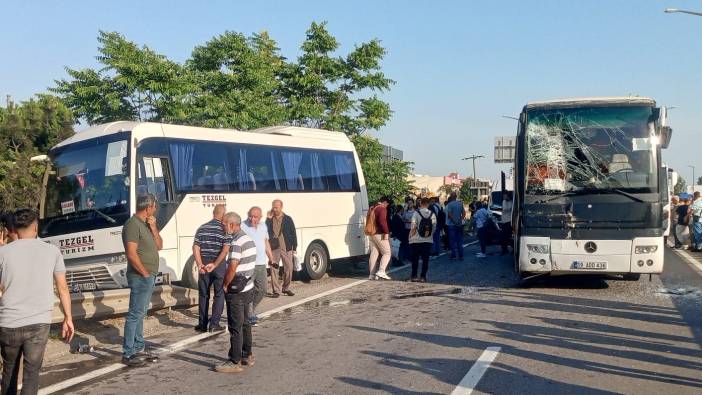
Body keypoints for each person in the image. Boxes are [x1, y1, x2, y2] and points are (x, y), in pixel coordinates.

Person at [0, 209, 74, 395]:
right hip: (39, 323)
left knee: (9, 372)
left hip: (9, 322)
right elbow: (62, 288)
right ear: (35, 227)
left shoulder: (3, 253)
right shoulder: (52, 251)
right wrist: (68, 318)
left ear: (14, 229)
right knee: (32, 373)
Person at [121, 194, 163, 366]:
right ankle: (128, 352)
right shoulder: (132, 225)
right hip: (140, 276)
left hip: (148, 275)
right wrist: (144, 272)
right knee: (135, 314)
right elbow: (131, 253)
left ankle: (138, 347)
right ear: (148, 208)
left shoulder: (146, 224)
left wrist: (153, 228)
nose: (156, 210)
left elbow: (159, 246)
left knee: (141, 313)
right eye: (154, 207)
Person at [216, 212, 257, 373]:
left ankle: (235, 360)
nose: (223, 227)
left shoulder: (236, 242)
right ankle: (247, 355)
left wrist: (225, 284)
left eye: (224, 224)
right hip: (248, 286)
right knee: (246, 322)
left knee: (235, 325)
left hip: (237, 290)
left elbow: (233, 266)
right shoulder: (248, 239)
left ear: (232, 225)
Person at [192, 204, 231, 333]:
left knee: (204, 295)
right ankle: (214, 324)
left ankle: (202, 324)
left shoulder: (202, 228)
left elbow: (196, 248)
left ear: (213, 213)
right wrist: (215, 263)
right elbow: (225, 250)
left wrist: (199, 264)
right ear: (223, 214)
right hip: (218, 265)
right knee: (219, 294)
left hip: (204, 264)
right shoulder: (225, 230)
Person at [241, 206, 274, 326]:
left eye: (255, 217)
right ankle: (249, 315)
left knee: (263, 289)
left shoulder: (263, 226)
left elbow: (266, 242)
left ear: (260, 217)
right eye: (250, 215)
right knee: (247, 290)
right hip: (248, 264)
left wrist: (271, 258)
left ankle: (250, 310)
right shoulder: (242, 226)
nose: (252, 219)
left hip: (261, 264)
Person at [265, 199, 297, 296]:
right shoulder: (270, 219)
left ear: (281, 207)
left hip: (286, 247)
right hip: (274, 246)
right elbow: (266, 231)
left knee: (289, 268)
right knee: (274, 269)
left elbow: (293, 233)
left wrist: (294, 247)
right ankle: (276, 291)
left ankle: (286, 288)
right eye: (273, 207)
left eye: (276, 207)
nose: (274, 209)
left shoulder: (288, 219)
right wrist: (268, 219)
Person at [409, 198, 437, 282]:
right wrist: (429, 235)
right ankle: (423, 276)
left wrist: (410, 236)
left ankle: (414, 276)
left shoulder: (416, 213)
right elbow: (434, 227)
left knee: (415, 259)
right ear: (428, 204)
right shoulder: (432, 214)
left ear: (420, 203)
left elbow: (413, 226)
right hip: (427, 240)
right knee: (425, 259)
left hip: (416, 240)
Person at [368, 196, 392, 280]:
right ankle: (381, 271)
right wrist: (386, 232)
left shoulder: (372, 207)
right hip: (379, 233)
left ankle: (371, 274)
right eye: (387, 204)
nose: (387, 206)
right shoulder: (382, 209)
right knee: (387, 253)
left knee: (374, 253)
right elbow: (382, 222)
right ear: (385, 202)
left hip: (371, 233)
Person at [445, 192, 466, 261]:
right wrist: (460, 219)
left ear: (451, 197)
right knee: (459, 240)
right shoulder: (460, 204)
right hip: (459, 225)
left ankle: (453, 255)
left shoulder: (450, 204)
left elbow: (449, 215)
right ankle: (461, 255)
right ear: (456, 197)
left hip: (452, 225)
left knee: (452, 241)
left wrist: (454, 222)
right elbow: (464, 213)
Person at [400, 199, 416, 264]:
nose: (409, 204)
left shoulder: (415, 211)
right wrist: (405, 219)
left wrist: (410, 221)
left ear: (413, 204)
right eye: (408, 203)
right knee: (407, 243)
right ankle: (407, 256)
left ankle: (412, 256)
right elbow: (402, 219)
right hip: (406, 229)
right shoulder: (405, 212)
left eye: (411, 203)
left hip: (413, 229)